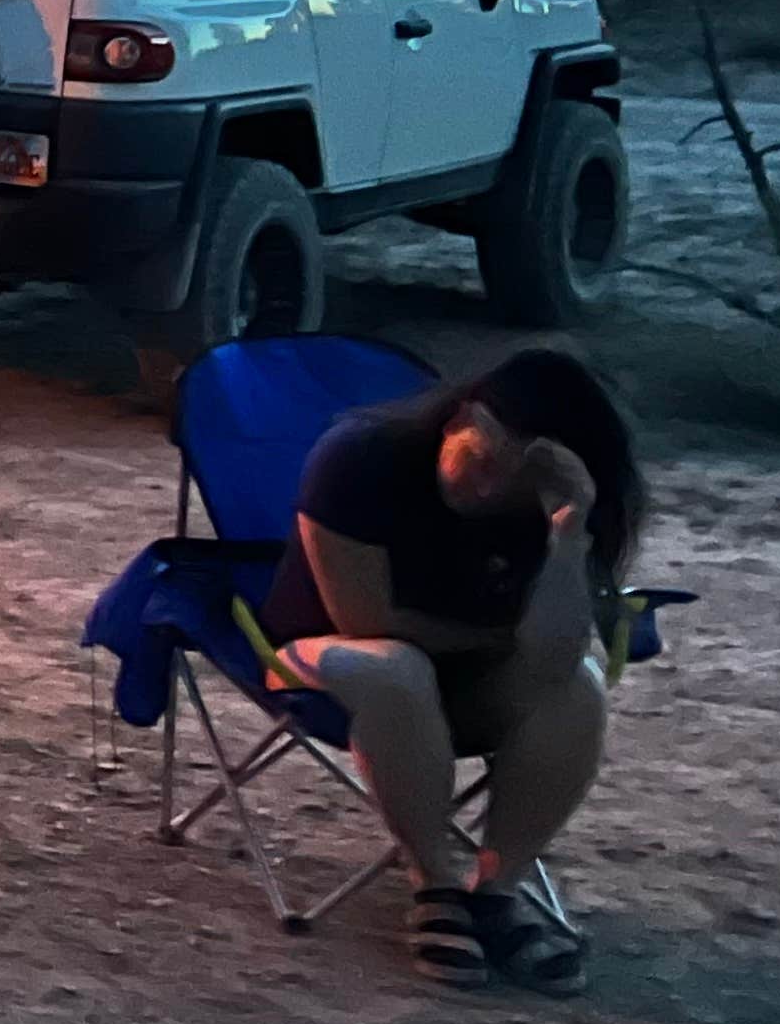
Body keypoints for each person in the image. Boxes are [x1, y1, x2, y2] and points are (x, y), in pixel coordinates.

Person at [258, 348, 644, 990]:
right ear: (459, 419)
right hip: (320, 658)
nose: (491, 491)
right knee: (397, 668)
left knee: (577, 685)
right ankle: (434, 883)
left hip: (465, 684)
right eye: (484, 461)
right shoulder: (359, 459)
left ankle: (496, 894)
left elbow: (551, 660)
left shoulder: (560, 505)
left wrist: (569, 533)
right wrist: (502, 637)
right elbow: (366, 620)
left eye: (518, 482)